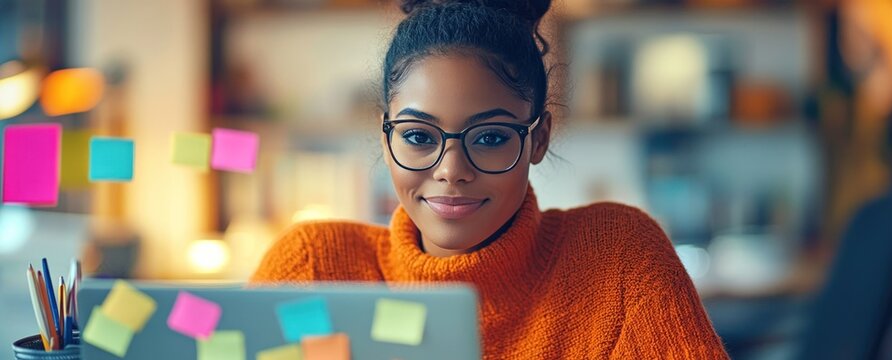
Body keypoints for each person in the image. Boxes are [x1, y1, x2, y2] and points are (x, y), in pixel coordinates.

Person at [251, 0, 728, 358]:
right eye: (418, 136)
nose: (452, 170)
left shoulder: (616, 262)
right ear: (385, 138)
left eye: (490, 138)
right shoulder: (314, 269)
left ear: (538, 138)